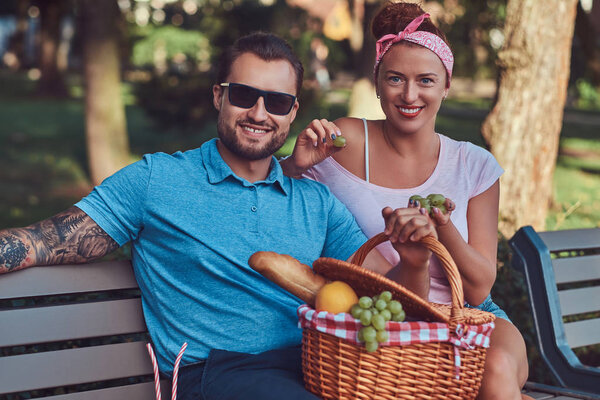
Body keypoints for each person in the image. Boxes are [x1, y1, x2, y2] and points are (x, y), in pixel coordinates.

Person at [0, 32, 438, 400]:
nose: (259, 114)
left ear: (293, 112)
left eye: (278, 103)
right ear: (219, 96)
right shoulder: (158, 180)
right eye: (245, 95)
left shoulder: (314, 200)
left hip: (312, 366)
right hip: (212, 374)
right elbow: (45, 239)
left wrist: (414, 260)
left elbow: (391, 297)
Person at [280, 2, 532, 399]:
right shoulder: (347, 141)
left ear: (446, 86)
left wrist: (443, 228)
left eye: (426, 81)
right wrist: (294, 164)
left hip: (469, 317)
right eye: (395, 79)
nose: (409, 95)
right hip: (384, 320)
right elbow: (269, 188)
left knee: (496, 368)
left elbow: (480, 289)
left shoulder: (474, 165)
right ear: (377, 83)